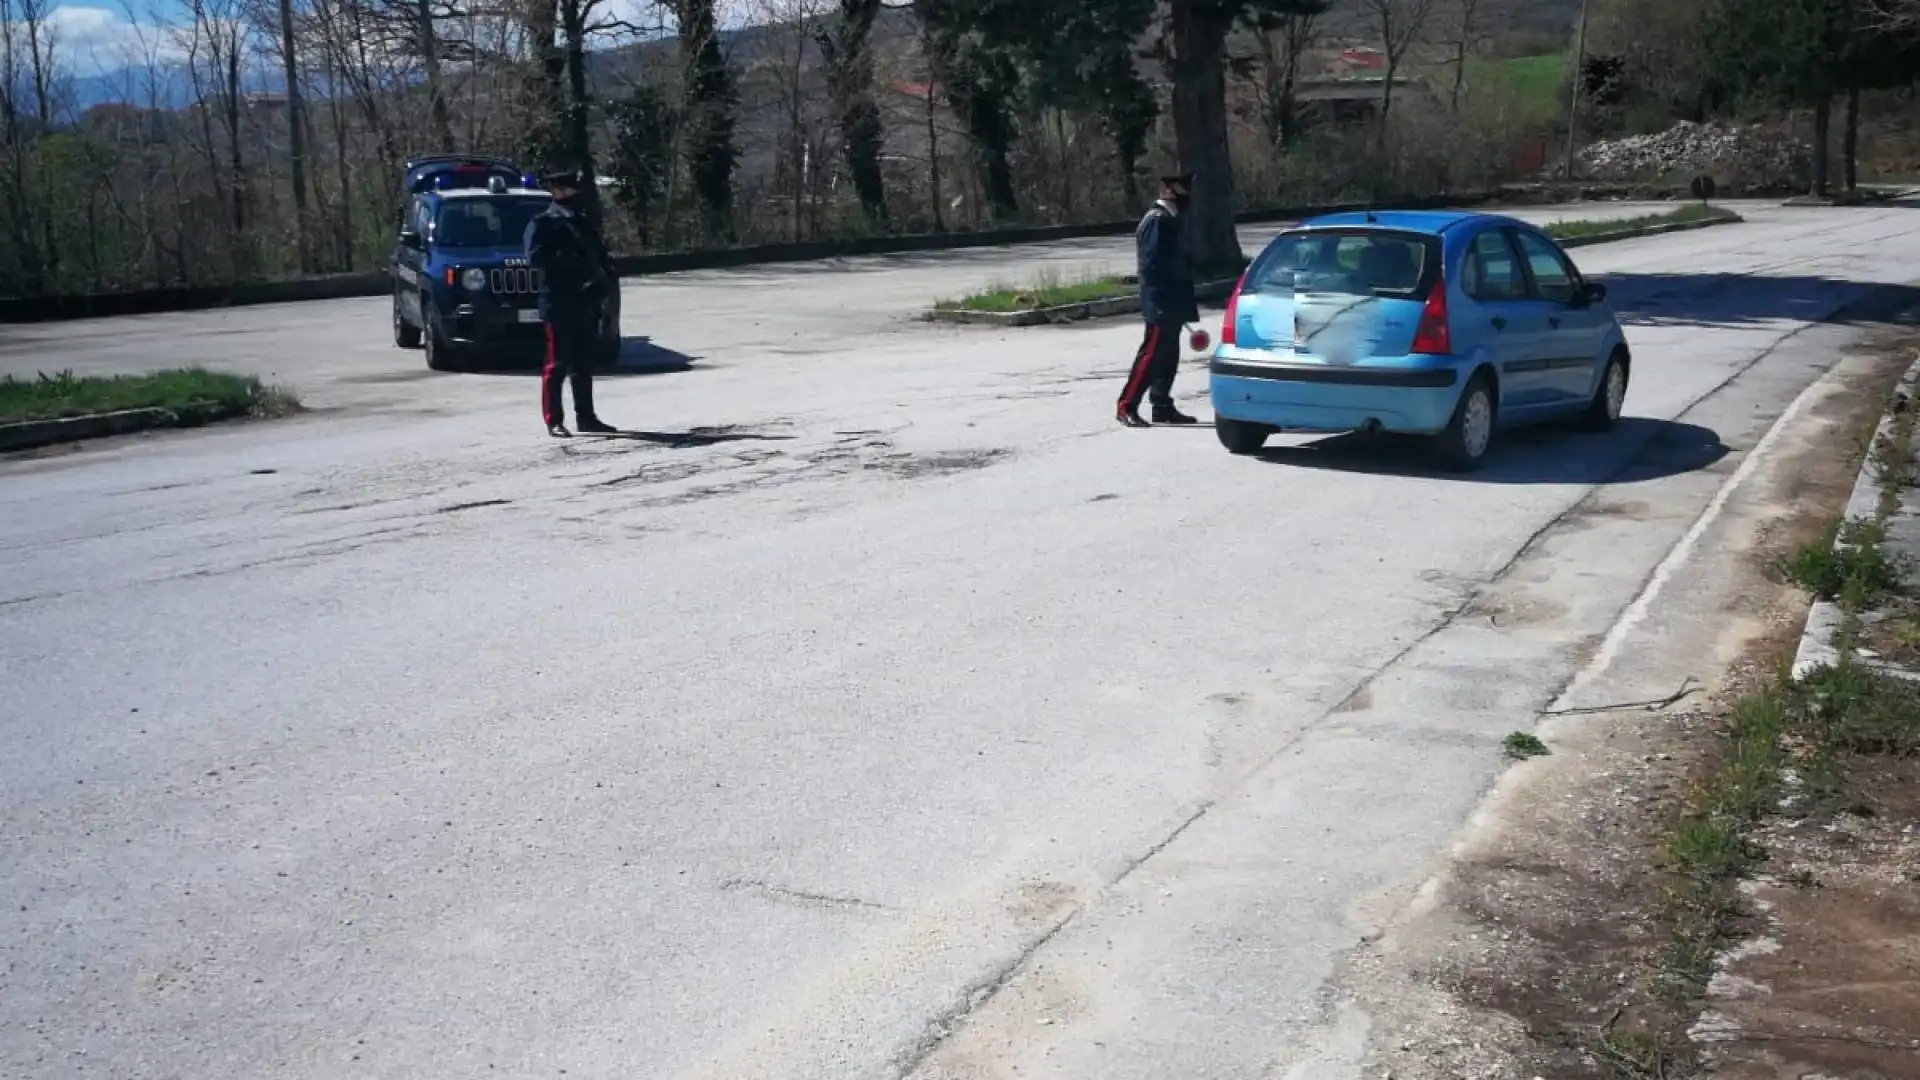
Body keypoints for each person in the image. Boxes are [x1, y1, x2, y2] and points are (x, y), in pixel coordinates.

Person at [524, 167, 616, 437]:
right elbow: (535, 258)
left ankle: (586, 417)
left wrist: (601, 284)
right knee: (556, 364)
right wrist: (568, 261)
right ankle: (553, 419)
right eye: (563, 189)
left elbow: (600, 256)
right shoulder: (542, 223)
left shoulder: (583, 222)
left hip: (585, 300)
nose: (568, 193)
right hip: (558, 300)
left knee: (584, 364)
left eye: (571, 189)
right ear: (554, 192)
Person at [1117, 173, 1200, 428]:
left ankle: (1162, 405)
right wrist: (1165, 298)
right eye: (1179, 193)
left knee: (1169, 355)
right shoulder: (1157, 221)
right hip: (1161, 299)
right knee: (1151, 355)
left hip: (1173, 299)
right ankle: (1126, 406)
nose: (1184, 199)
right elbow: (1152, 265)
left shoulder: (1171, 219)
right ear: (1167, 192)